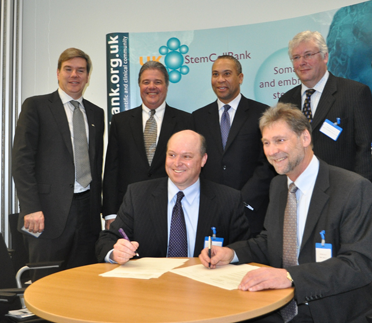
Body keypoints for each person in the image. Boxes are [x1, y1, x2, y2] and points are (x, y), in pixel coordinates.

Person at [200, 103, 372, 323]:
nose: (271, 151)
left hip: (337, 309)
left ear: (305, 138)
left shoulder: (353, 188)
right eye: (266, 143)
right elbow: (270, 241)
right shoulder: (278, 186)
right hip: (282, 304)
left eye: (280, 140)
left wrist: (289, 277)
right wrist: (231, 253)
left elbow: (359, 264)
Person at [12, 48, 104, 280]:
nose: (74, 75)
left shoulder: (96, 113)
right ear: (58, 73)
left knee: (84, 283)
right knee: (45, 284)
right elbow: (22, 161)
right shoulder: (36, 107)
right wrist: (31, 207)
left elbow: (96, 163)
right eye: (68, 69)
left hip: (88, 215)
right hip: (46, 214)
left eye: (81, 70)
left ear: (88, 77)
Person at [96, 130, 250, 264]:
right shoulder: (138, 195)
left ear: (203, 160)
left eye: (186, 156)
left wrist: (229, 254)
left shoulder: (228, 200)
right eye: (172, 155)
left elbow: (244, 247)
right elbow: (107, 240)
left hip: (205, 291)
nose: (177, 163)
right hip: (150, 290)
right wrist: (115, 254)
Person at [102, 61, 193, 229]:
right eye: (146, 82)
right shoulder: (120, 121)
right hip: (128, 210)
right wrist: (110, 213)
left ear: (166, 85)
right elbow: (111, 170)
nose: (152, 87)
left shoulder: (185, 121)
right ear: (139, 85)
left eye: (158, 82)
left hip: (172, 208)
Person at [193, 55, 275, 236]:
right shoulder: (198, 118)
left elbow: (268, 163)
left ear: (240, 78)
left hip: (250, 211)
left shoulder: (262, 114)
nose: (220, 80)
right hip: (209, 211)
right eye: (215, 74)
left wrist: (243, 200)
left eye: (227, 74)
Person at [279, 30, 372, 181]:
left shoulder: (354, 93)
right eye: (296, 57)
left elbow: (365, 151)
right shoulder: (285, 102)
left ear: (325, 56)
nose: (302, 62)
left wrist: (361, 193)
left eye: (308, 55)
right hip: (302, 190)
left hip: (344, 190)